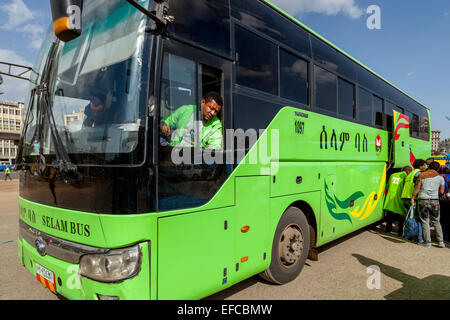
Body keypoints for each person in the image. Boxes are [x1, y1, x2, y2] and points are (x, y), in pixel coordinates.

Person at [411, 161, 446, 248]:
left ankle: (428, 243)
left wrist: (412, 197)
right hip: (435, 201)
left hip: (422, 200)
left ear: (429, 167)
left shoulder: (422, 176)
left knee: (425, 221)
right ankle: (440, 242)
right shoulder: (440, 178)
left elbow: (417, 188)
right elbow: (442, 192)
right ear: (437, 168)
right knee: (436, 221)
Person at [401, 159, 427, 243]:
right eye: (424, 165)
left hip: (405, 197)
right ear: (421, 166)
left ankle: (409, 236)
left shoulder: (410, 174)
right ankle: (419, 239)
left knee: (409, 218)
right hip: (413, 199)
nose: (425, 167)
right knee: (418, 219)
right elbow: (418, 186)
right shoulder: (419, 174)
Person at [384, 166, 412, 236]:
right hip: (399, 198)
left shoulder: (392, 175)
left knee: (389, 214)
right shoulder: (406, 177)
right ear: (408, 171)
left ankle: (388, 229)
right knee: (401, 216)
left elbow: (388, 185)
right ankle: (400, 232)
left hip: (390, 197)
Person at [438, 166, 450, 242]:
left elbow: (440, 191)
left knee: (443, 219)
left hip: (443, 201)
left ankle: (444, 237)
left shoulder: (440, 177)